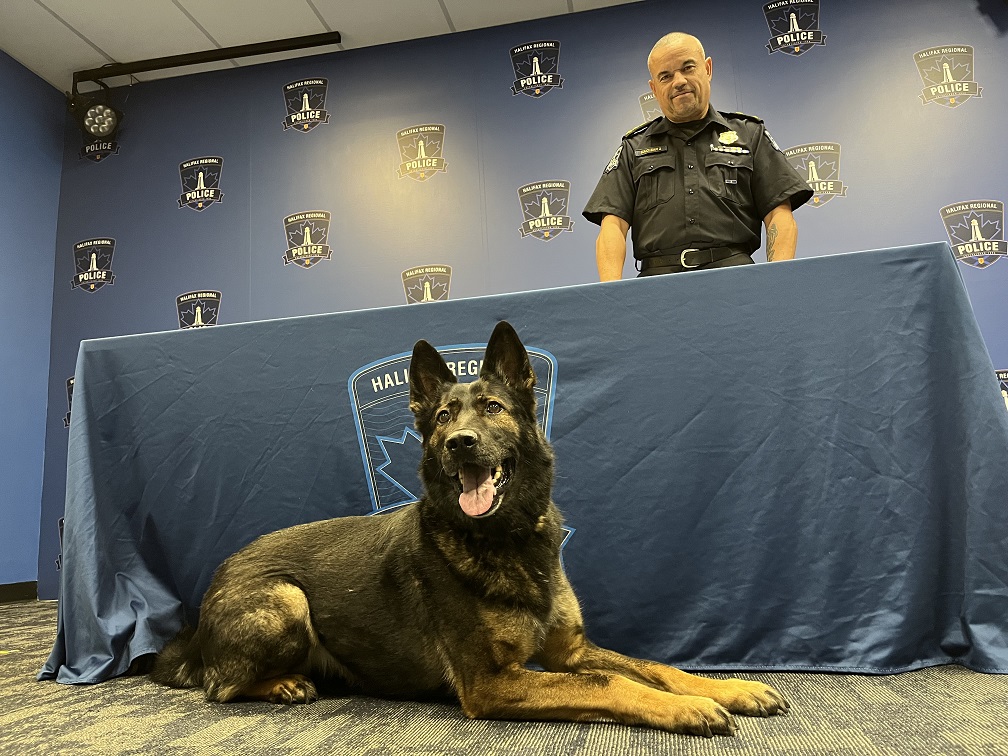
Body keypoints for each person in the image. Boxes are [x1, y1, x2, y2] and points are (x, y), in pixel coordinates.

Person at [583, 32, 813, 280]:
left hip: (736, 281)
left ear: (708, 68)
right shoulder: (633, 147)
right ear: (654, 88)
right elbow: (612, 226)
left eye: (687, 68)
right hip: (656, 290)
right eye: (666, 76)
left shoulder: (749, 135)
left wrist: (776, 281)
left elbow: (779, 214)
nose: (678, 81)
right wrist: (611, 295)